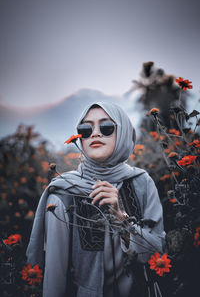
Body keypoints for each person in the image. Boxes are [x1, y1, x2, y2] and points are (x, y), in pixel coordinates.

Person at [26, 102, 165, 297]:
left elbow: (158, 252)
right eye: (86, 129)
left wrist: (122, 220)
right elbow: (55, 280)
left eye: (106, 127)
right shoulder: (64, 194)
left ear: (123, 132)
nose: (95, 133)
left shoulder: (141, 182)